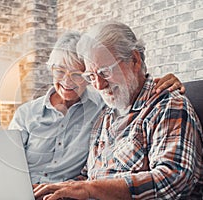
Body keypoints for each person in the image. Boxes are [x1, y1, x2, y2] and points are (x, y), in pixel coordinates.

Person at [34, 21, 203, 199]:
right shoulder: (105, 116)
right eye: (91, 76)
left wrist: (90, 189)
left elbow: (173, 179)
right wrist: (56, 190)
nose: (99, 85)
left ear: (135, 60)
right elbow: (88, 177)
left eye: (105, 72)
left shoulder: (168, 106)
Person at [9, 31, 184, 185]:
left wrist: (165, 82)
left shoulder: (103, 106)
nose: (67, 81)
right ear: (51, 69)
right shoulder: (26, 114)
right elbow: (7, 165)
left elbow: (132, 84)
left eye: (77, 74)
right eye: (60, 71)